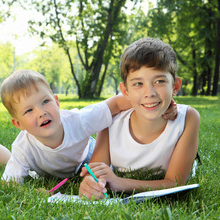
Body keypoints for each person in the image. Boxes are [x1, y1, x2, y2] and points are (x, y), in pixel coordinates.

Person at [0, 69, 178, 184]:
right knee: (10, 165)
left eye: (45, 102)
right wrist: (39, 193)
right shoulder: (23, 146)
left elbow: (116, 103)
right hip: (45, 171)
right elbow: (10, 184)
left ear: (56, 101)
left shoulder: (79, 120)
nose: (41, 112)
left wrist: (158, 105)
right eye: (29, 111)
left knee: (120, 169)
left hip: (88, 159)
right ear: (18, 124)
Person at [79, 37, 200, 199]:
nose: (149, 92)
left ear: (175, 86)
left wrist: (120, 182)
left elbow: (175, 183)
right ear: (125, 90)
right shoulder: (112, 120)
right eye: (138, 84)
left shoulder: (187, 118)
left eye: (159, 81)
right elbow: (95, 171)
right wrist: (91, 184)